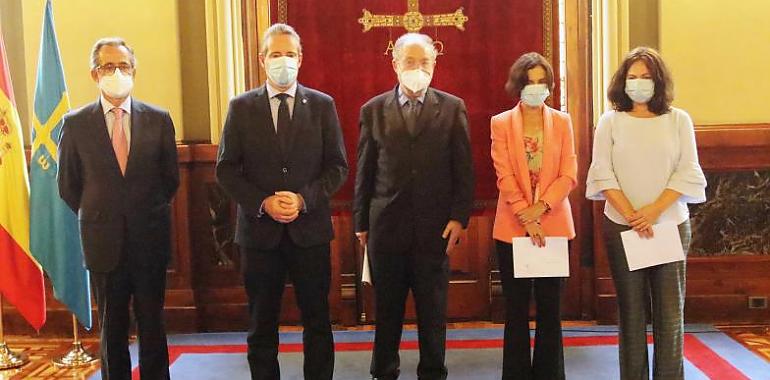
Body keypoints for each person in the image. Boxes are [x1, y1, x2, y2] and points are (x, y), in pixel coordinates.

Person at [216, 23, 348, 380]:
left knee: (317, 321)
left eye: (290, 54)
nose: (283, 61)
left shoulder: (322, 105)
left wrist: (303, 200)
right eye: (276, 54)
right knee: (261, 324)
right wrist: (263, 202)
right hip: (260, 235)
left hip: (310, 233)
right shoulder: (241, 107)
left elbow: (337, 167)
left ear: (301, 59)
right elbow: (226, 170)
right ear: (262, 60)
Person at [353, 32, 474, 380]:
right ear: (395, 64)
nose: (417, 68)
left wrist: (459, 218)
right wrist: (362, 223)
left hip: (435, 231)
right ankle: (383, 371)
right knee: (387, 312)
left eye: (425, 62)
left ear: (435, 65)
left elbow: (463, 169)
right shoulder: (373, 110)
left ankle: (433, 372)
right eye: (410, 61)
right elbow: (365, 170)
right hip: (385, 230)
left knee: (433, 313)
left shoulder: (453, 108)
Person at [58, 37, 179, 380]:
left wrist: (142, 211)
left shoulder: (158, 119)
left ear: (134, 71)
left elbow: (170, 179)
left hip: (149, 239)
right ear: (94, 74)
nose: (116, 73)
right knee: (112, 327)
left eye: (123, 66)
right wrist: (102, 212)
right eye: (108, 66)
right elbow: (68, 186)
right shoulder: (75, 123)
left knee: (152, 322)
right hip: (102, 241)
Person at [586, 46, 707, 380]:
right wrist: (632, 214)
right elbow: (601, 172)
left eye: (646, 77)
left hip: (669, 226)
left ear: (658, 82)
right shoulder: (610, 121)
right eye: (632, 77)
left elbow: (688, 172)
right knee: (632, 314)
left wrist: (653, 211)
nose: (639, 83)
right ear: (622, 83)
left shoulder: (678, 120)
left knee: (670, 316)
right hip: (621, 227)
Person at [489, 52, 577, 380]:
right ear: (518, 85)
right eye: (530, 82)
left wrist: (541, 210)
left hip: (553, 226)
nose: (536, 88)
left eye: (542, 82)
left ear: (550, 87)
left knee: (550, 310)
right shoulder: (500, 123)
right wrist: (527, 216)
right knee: (516, 311)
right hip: (513, 227)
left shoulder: (562, 121)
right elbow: (504, 174)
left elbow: (568, 173)